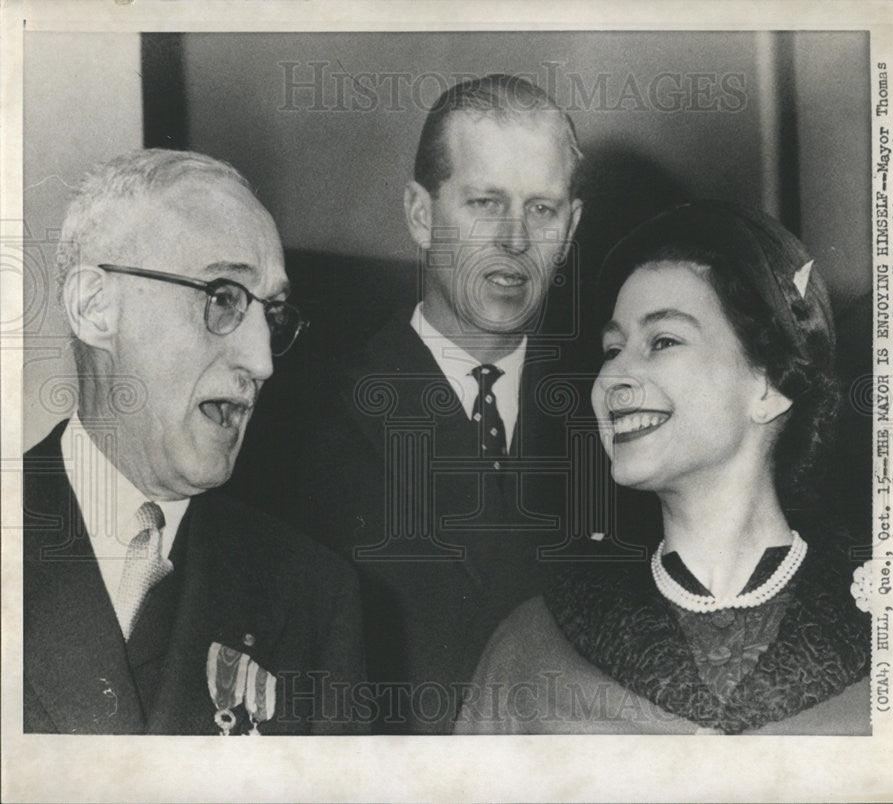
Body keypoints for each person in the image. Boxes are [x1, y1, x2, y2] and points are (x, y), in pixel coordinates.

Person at [456, 201, 871, 734]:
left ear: (769, 387)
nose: (615, 378)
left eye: (663, 341)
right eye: (611, 349)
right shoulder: (534, 651)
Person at [23, 149, 366, 735]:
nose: (261, 363)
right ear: (95, 307)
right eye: (223, 296)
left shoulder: (313, 595)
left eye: (273, 314)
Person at [295, 74, 584, 732]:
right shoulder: (305, 421)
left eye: (542, 209)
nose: (515, 239)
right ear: (421, 215)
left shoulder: (614, 422)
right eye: (485, 203)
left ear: (570, 227)